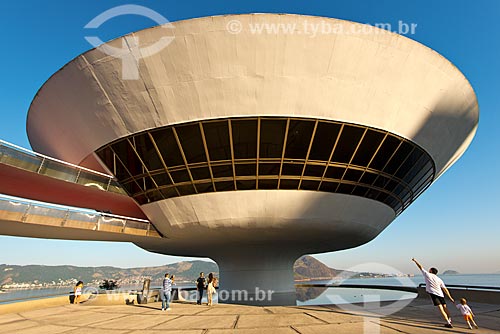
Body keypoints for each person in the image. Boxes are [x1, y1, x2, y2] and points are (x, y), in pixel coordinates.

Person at [412, 258, 455, 328]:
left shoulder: (427, 275)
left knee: (441, 309)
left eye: (429, 269)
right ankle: (449, 319)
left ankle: (448, 323)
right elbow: (445, 289)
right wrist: (450, 297)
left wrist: (415, 261)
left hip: (434, 294)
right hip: (441, 294)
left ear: (431, 271)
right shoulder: (439, 279)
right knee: (445, 307)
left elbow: (420, 267)